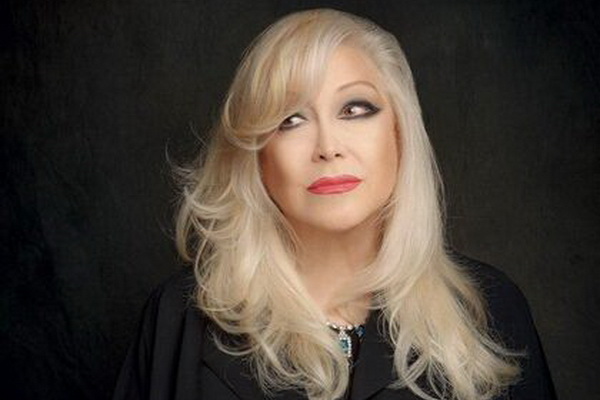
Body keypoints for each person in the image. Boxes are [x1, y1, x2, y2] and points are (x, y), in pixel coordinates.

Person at [113, 8, 556, 400]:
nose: (328, 147)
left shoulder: (489, 309)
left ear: (400, 132)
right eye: (291, 119)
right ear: (257, 156)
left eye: (355, 109)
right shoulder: (179, 320)